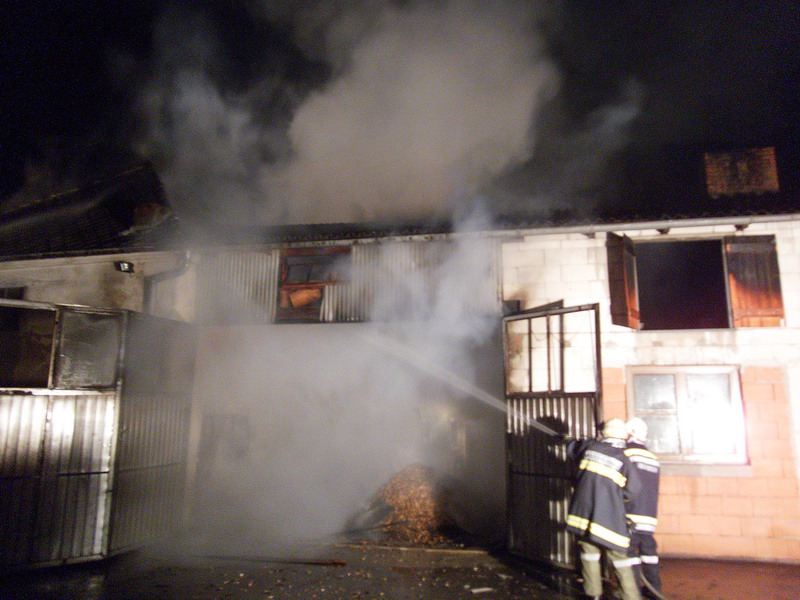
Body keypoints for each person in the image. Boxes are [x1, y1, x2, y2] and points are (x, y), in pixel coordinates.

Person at [565, 418, 642, 600]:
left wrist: (568, 439)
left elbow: (572, 449)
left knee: (589, 553)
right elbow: (634, 489)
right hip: (608, 517)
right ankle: (630, 596)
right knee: (619, 557)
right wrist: (616, 498)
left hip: (583, 515)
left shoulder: (589, 448)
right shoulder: (623, 459)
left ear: (604, 433)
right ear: (622, 436)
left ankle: (593, 594)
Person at [624, 417, 662, 599]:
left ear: (630, 432)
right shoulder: (653, 459)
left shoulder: (626, 455)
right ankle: (655, 590)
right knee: (649, 555)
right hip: (649, 515)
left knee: (630, 554)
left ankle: (634, 592)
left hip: (630, 514)